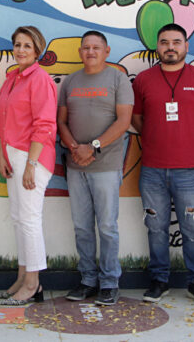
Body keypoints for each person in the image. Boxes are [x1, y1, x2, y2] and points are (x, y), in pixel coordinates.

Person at [132, 23, 194, 305]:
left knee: (192, 228)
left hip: (189, 171)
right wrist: (154, 135)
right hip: (152, 170)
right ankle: (159, 280)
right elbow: (135, 118)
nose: (170, 47)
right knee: (155, 227)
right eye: (165, 42)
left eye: (176, 42)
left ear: (186, 46)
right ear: (157, 46)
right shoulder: (144, 80)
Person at [57, 31, 133, 306]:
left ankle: (110, 281)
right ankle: (88, 280)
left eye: (96, 47)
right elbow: (61, 121)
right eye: (86, 47)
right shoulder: (71, 81)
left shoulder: (118, 79)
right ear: (80, 52)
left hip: (106, 165)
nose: (91, 51)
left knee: (107, 226)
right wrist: (76, 148)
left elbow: (124, 121)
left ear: (107, 50)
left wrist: (94, 147)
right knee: (82, 227)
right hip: (76, 165)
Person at [0, 26, 57, 306]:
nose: (20, 50)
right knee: (19, 218)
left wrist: (31, 164)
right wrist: (0, 155)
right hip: (11, 155)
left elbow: (44, 125)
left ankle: (33, 284)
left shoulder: (39, 79)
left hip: (33, 156)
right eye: (17, 45)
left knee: (30, 220)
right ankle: (21, 277)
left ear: (37, 50)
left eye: (27, 46)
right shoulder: (11, 79)